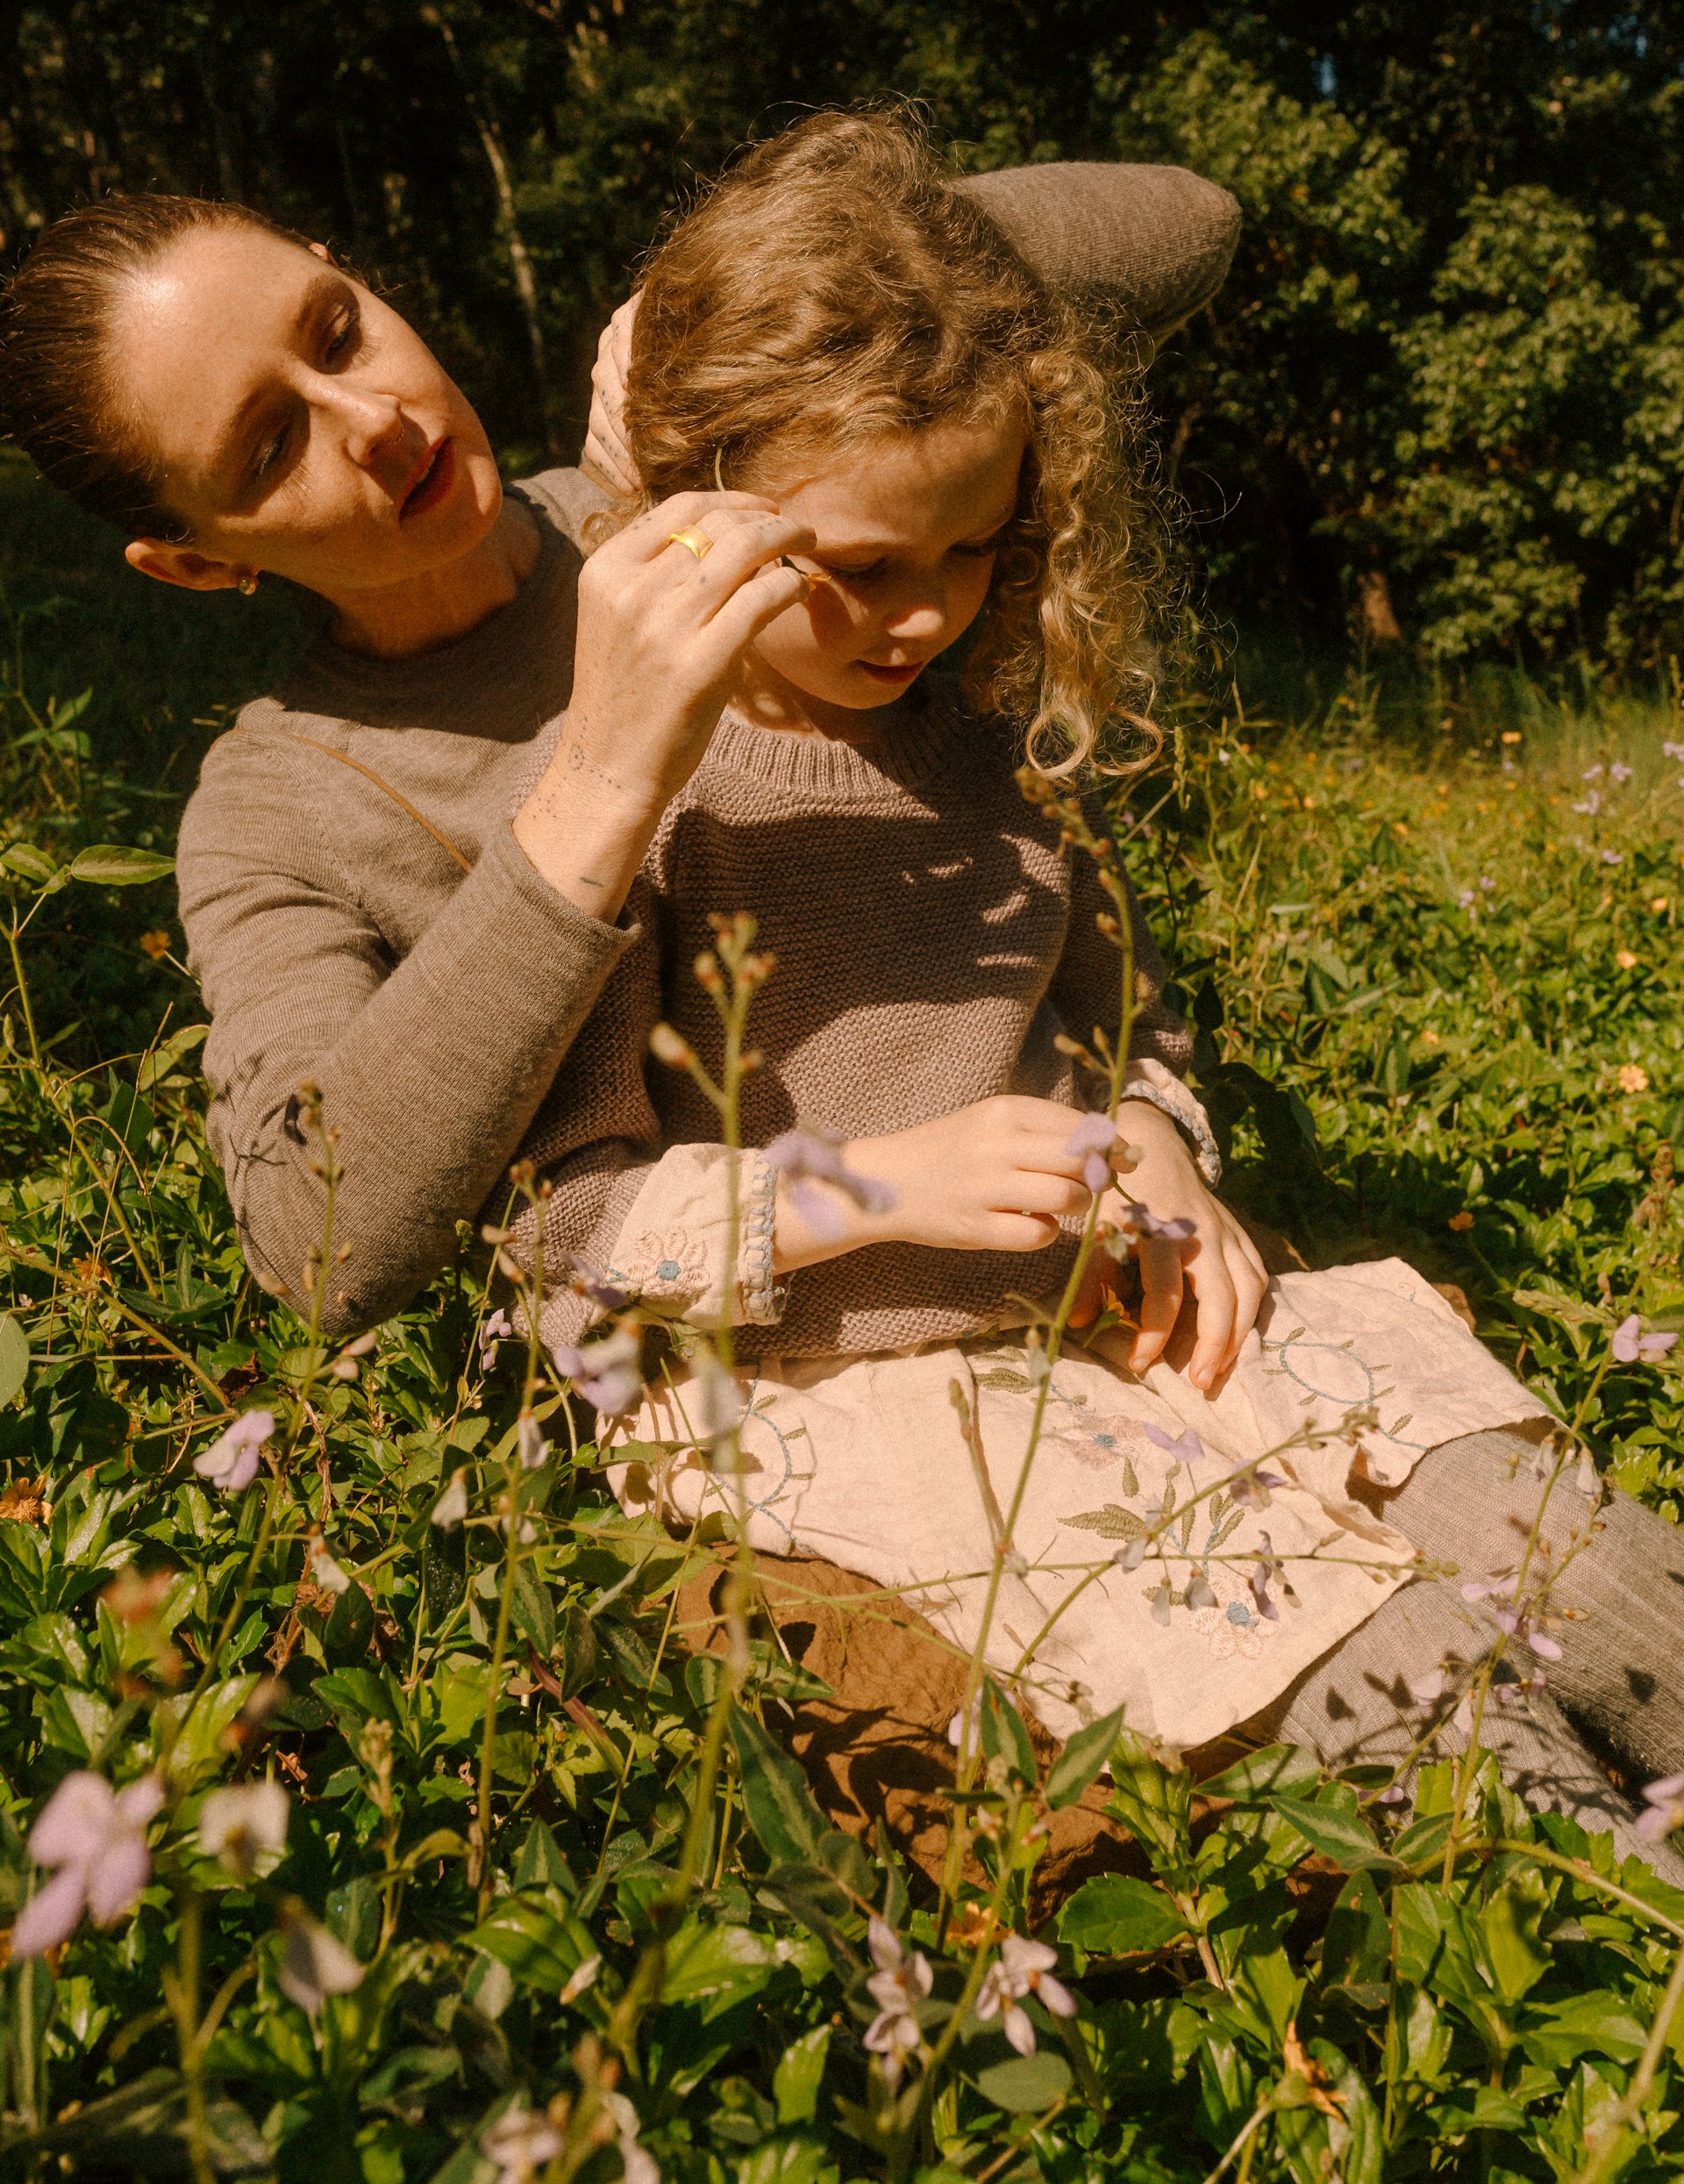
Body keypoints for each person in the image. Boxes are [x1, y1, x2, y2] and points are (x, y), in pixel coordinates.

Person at [509, 109, 1684, 1876]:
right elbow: (567, 1231)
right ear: (695, 510)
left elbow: (1131, 1020)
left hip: (1131, 1322)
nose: (920, 617)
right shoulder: (628, 793)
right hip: (854, 1397)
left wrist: (1156, 1134)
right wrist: (874, 1184)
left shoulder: (992, 742)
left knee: (1584, 1568)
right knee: (1444, 1705)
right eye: (860, 567)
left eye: (974, 548)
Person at [0, 146, 1238, 1331]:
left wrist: (776, 284)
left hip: (1085, 1270)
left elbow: (1193, 224)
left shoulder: (691, 485)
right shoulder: (279, 810)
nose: (372, 419)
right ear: (199, 562)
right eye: (271, 444)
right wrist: (594, 789)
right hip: (765, 1377)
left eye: (339, 329)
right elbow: (314, 1245)